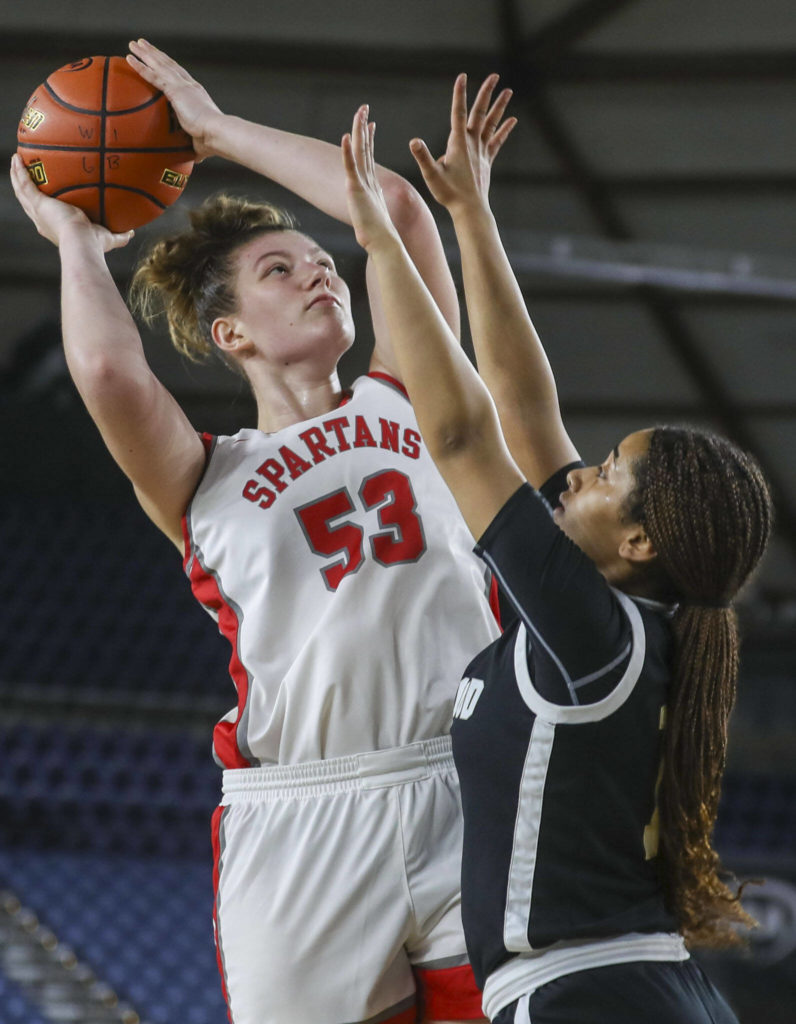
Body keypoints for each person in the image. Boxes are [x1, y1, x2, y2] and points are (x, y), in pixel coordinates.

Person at [10, 40, 503, 1024]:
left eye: (324, 264)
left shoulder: (408, 395)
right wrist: (73, 241)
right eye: (282, 270)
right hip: (300, 810)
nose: (321, 276)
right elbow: (110, 376)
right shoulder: (203, 475)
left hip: (468, 778)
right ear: (227, 332)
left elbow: (395, 215)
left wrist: (216, 130)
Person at [340, 74, 773, 1024]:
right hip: (639, 991)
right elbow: (526, 410)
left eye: (607, 472)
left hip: (586, 996)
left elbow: (462, 437)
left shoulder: (595, 635)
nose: (578, 473)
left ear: (640, 538)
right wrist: (473, 217)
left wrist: (384, 248)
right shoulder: (618, 627)